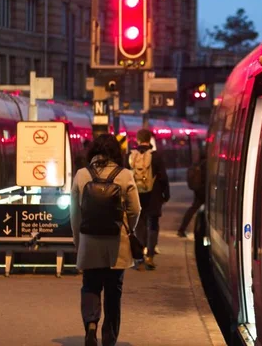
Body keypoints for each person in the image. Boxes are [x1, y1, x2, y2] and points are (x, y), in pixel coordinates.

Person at [71, 134, 141, 346]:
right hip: (116, 243)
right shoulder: (125, 175)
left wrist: (78, 241)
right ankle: (109, 336)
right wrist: (129, 229)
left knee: (90, 285)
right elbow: (135, 209)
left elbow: (75, 214)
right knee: (113, 290)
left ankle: (91, 325)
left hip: (89, 241)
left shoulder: (81, 175)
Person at [128, 128, 170, 270]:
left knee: (139, 224)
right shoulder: (156, 156)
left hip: (136, 196)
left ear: (137, 139)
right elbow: (163, 177)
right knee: (152, 224)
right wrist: (166, 194)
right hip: (154, 196)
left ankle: (139, 256)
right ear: (150, 139)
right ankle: (150, 255)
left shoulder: (131, 156)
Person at [177, 154, 206, 238]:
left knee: (192, 209)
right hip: (204, 191)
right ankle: (201, 230)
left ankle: (182, 229)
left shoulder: (198, 164)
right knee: (199, 210)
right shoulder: (206, 164)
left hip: (198, 190)